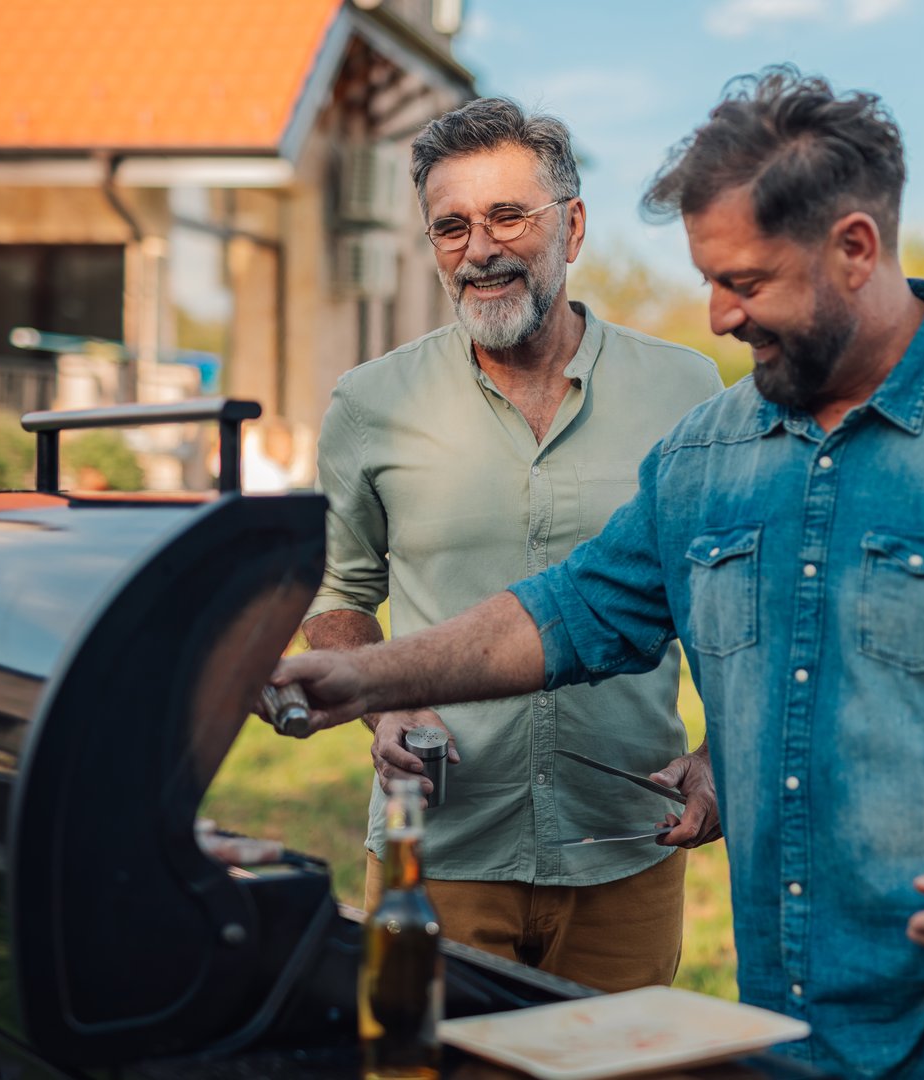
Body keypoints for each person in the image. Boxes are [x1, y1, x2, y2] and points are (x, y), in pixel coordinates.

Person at [275, 68, 924, 1080]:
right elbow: (570, 613)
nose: (715, 317)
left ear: (854, 250)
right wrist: (366, 679)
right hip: (792, 1018)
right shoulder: (708, 451)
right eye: (706, 279)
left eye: (744, 283)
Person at [294, 97, 726, 994]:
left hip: (625, 843)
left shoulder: (686, 388)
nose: (479, 249)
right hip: (439, 845)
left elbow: (724, 595)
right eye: (450, 227)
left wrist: (723, 750)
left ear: (570, 226)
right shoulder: (370, 402)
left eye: (506, 217)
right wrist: (383, 710)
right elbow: (337, 595)